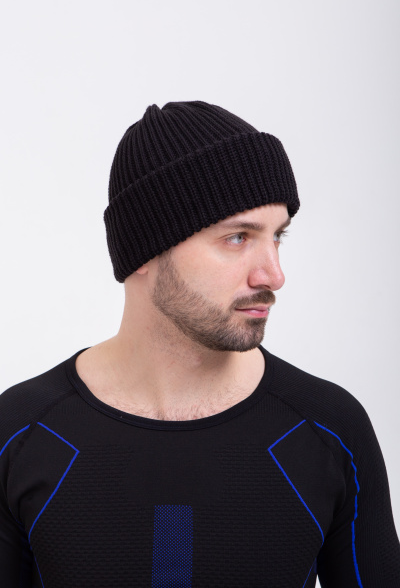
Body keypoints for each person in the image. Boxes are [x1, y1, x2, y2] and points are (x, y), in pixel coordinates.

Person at [1, 100, 399, 588]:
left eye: (278, 236)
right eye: (238, 237)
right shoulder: (19, 433)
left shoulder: (331, 429)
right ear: (145, 250)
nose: (273, 275)